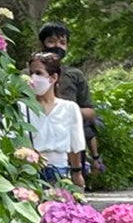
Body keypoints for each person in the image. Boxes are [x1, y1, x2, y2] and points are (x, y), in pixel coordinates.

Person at [37, 22, 98, 181]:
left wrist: (65, 111)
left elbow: (90, 112)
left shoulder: (75, 75)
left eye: (62, 43)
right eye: (51, 41)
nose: (57, 46)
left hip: (70, 144)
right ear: (41, 43)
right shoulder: (29, 75)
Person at [24, 53, 86, 182]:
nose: (33, 78)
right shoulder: (22, 107)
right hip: (30, 174)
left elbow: (75, 146)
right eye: (31, 73)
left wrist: (77, 174)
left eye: (39, 73)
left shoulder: (69, 108)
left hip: (60, 173)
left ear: (53, 78)